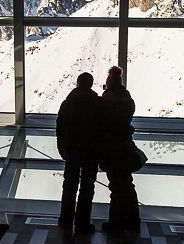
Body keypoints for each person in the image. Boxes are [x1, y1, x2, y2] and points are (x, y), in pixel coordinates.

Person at [56, 71, 103, 234]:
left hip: (72, 151)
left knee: (69, 185)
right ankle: (82, 222)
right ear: (90, 84)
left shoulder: (67, 103)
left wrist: (63, 149)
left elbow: (60, 128)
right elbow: (102, 129)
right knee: (87, 187)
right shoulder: (98, 103)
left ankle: (65, 220)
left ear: (77, 83)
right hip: (91, 152)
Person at [99, 65, 140, 234]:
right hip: (126, 148)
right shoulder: (128, 101)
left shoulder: (105, 102)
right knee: (126, 185)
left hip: (112, 149)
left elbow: (102, 124)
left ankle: (116, 223)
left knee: (116, 186)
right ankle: (132, 221)